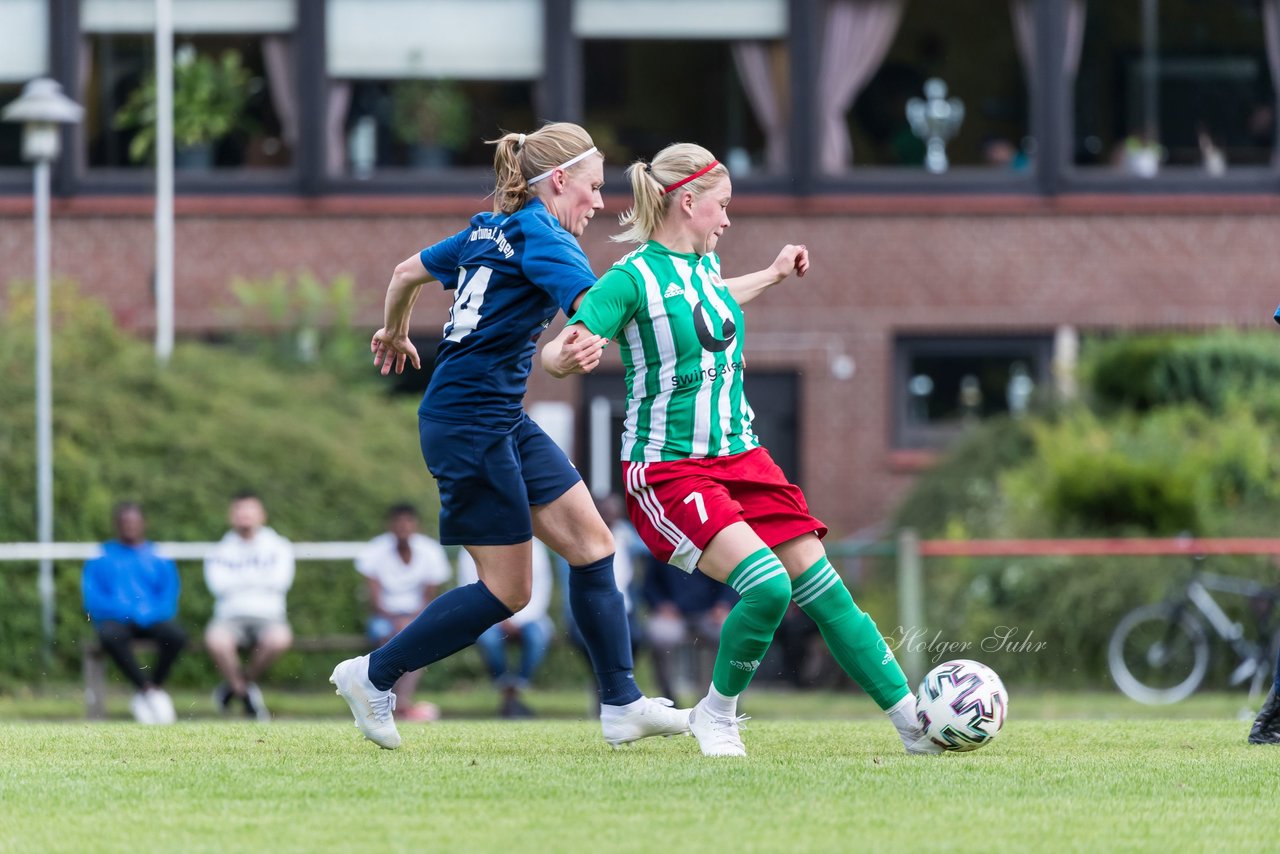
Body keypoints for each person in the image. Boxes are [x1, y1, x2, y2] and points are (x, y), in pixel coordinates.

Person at [541, 142, 940, 757]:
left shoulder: (702, 267)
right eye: (722, 207)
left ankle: (913, 722)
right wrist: (566, 358)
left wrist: (775, 274)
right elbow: (562, 346)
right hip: (672, 469)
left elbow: (712, 296)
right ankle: (716, 715)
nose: (728, 219)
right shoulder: (629, 280)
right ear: (689, 200)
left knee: (826, 590)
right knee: (769, 587)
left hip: (745, 459)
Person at [328, 122, 691, 751]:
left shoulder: (486, 227)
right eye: (593, 188)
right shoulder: (547, 238)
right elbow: (592, 312)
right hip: (471, 423)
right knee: (509, 591)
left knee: (593, 545)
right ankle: (372, 676)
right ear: (558, 182)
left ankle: (622, 704)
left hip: (491, 416)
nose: (599, 203)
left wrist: (394, 330)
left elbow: (403, 272)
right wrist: (622, 336)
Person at [80, 502, 185, 724]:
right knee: (109, 635)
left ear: (143, 524)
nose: (130, 527)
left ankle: (151, 690)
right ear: (117, 525)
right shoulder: (102, 556)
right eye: (125, 522)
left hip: (152, 619)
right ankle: (148, 691)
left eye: (134, 522)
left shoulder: (158, 556)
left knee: (176, 636)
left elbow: (169, 595)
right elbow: (93, 598)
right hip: (117, 621)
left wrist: (148, 612)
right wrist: (125, 611)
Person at [204, 491, 295, 721]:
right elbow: (218, 585)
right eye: (239, 510)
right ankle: (246, 694)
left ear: (262, 515)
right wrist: (257, 579)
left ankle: (235, 687)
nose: (244, 515)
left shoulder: (279, 546)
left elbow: (280, 582)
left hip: (269, 615)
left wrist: (240, 580)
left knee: (279, 638)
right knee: (216, 639)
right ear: (231, 515)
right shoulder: (219, 549)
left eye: (250, 509)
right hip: (230, 616)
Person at [356, 502, 451, 722]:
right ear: (390, 525)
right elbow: (374, 598)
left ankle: (398, 702)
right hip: (383, 618)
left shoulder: (430, 551)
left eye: (407, 521)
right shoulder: (375, 550)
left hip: (416, 617)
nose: (403, 527)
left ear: (415, 525)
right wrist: (397, 620)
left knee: (417, 640)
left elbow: (429, 598)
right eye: (398, 522)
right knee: (390, 637)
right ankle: (390, 700)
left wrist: (409, 621)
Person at [456, 540, 554, 718]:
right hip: (487, 616)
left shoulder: (534, 544)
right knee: (489, 639)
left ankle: (517, 689)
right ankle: (507, 690)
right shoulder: (473, 541)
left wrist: (517, 619)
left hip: (529, 615)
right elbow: (468, 587)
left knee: (537, 637)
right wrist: (499, 618)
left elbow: (541, 587)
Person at [642, 556, 735, 703]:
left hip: (710, 613)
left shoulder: (713, 542)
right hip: (673, 615)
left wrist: (723, 604)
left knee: (731, 633)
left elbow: (731, 580)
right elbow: (649, 586)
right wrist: (661, 605)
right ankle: (668, 698)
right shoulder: (663, 544)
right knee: (660, 635)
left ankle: (722, 698)